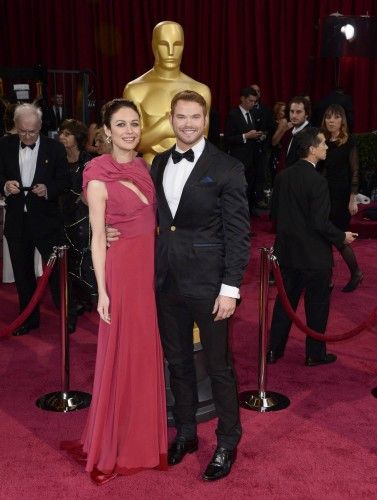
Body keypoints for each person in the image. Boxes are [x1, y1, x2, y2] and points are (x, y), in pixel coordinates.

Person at [108, 90, 250, 481]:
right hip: (166, 280)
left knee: (219, 367)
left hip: (209, 284)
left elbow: (239, 235)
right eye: (181, 117)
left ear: (205, 120)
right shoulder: (156, 164)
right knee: (178, 363)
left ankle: (226, 441)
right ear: (171, 119)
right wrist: (109, 231)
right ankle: (186, 432)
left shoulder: (227, 167)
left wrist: (230, 288)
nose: (188, 124)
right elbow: (143, 214)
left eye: (195, 117)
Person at [61, 99, 167, 485]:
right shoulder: (96, 173)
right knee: (122, 352)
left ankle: (141, 437)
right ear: (106, 130)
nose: (129, 131)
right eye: (120, 124)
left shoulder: (144, 166)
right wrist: (103, 292)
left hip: (147, 272)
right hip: (121, 276)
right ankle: (117, 443)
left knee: (142, 353)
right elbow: (96, 239)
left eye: (134, 124)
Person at [267, 127, 357, 366]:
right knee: (317, 306)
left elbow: (274, 214)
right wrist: (342, 236)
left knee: (285, 304)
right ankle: (314, 355)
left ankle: (274, 351)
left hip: (287, 254)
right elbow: (320, 223)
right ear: (311, 149)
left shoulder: (282, 176)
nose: (327, 147)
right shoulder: (318, 181)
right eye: (323, 144)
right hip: (314, 257)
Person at [0, 103, 71, 336]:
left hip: (48, 221)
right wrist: (5, 186)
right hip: (17, 221)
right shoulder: (4, 145)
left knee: (58, 274)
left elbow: (65, 182)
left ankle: (67, 316)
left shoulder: (55, 149)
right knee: (22, 273)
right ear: (15, 127)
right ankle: (28, 318)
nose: (28, 136)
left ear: (40, 126)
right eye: (22, 131)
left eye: (32, 131)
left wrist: (48, 189)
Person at [123, 21, 211, 165]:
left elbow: (203, 141)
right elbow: (132, 142)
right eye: (164, 44)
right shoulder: (135, 89)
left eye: (177, 45)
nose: (171, 51)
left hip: (190, 170)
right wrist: (163, 128)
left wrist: (166, 129)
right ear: (153, 45)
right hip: (151, 171)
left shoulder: (201, 90)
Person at [58, 119, 95, 332]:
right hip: (62, 217)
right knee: (68, 263)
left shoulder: (89, 161)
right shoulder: (58, 159)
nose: (62, 137)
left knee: (84, 259)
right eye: (61, 133)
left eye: (67, 133)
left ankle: (87, 298)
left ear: (77, 138)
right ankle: (74, 304)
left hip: (84, 218)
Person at [320, 104, 362, 292]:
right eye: (328, 117)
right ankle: (327, 280)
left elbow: (355, 171)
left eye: (336, 117)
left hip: (341, 195)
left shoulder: (349, 141)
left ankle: (356, 273)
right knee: (324, 238)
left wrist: (353, 198)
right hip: (324, 195)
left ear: (342, 120)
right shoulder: (322, 141)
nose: (331, 120)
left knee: (338, 238)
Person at [224, 87, 262, 213]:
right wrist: (246, 136)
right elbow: (228, 138)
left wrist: (258, 135)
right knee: (239, 189)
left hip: (252, 159)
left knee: (250, 187)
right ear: (242, 99)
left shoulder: (252, 114)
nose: (253, 104)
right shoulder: (233, 115)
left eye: (254, 102)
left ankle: (249, 211)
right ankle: (238, 213)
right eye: (250, 101)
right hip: (239, 160)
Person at [277, 96, 310, 172]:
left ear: (306, 114)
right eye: (292, 111)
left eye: (298, 112)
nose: (294, 116)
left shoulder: (309, 135)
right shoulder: (291, 130)